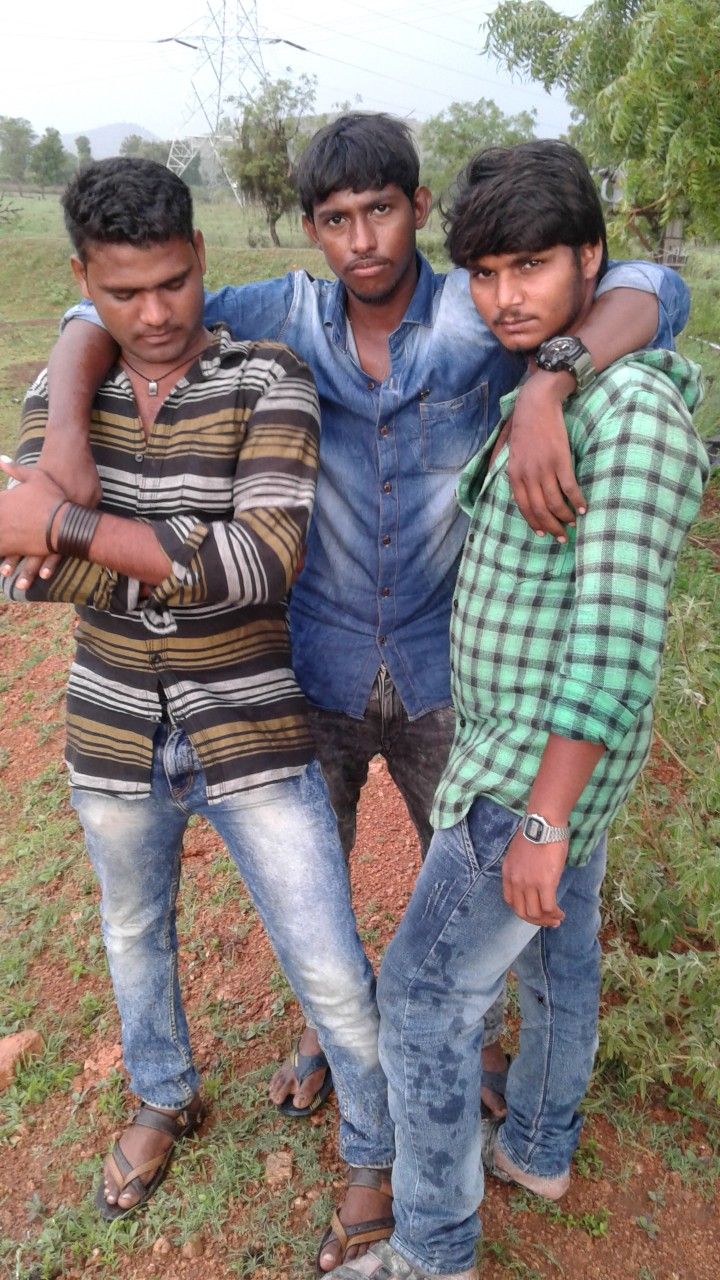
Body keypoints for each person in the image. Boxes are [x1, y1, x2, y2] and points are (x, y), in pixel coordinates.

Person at [3, 114, 689, 1272]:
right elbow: (106, 311)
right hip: (311, 665)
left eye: (383, 210)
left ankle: (483, 1072)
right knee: (313, 888)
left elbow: (655, 286)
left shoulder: (485, 311)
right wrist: (67, 425)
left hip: (442, 672)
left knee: (463, 883)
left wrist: (545, 384)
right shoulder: (282, 313)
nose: (362, 239)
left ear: (421, 208)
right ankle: (351, 1046)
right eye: (336, 218)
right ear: (310, 226)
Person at [0, 158, 396, 1259]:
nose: (158, 312)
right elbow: (14, 576)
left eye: (175, 281)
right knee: (133, 933)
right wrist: (152, 551)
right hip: (111, 724)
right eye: (124, 292)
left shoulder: (269, 377)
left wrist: (73, 528)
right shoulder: (61, 392)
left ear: (201, 261)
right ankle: (164, 1093)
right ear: (85, 279)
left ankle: (375, 1147)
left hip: (255, 724)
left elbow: (263, 561)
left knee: (323, 955)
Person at [326, 139, 708, 1280]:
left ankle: (433, 1249)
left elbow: (615, 636)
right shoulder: (550, 380)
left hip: (527, 767)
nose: (505, 298)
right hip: (539, 759)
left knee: (426, 1002)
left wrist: (541, 815)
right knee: (558, 952)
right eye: (485, 273)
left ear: (594, 260)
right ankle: (537, 1140)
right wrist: (544, 374)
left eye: (532, 267)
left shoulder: (627, 412)